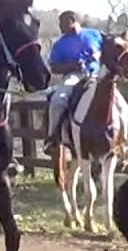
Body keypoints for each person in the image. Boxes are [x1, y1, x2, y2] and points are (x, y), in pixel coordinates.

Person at [45, 11, 105, 151]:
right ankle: (52, 137)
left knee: (120, 103)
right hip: (73, 77)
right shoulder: (59, 44)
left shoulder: (95, 35)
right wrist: (71, 65)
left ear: (72, 20)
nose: (59, 26)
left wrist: (99, 54)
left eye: (62, 22)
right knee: (57, 101)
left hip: (97, 75)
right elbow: (54, 67)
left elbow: (110, 47)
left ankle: (122, 140)